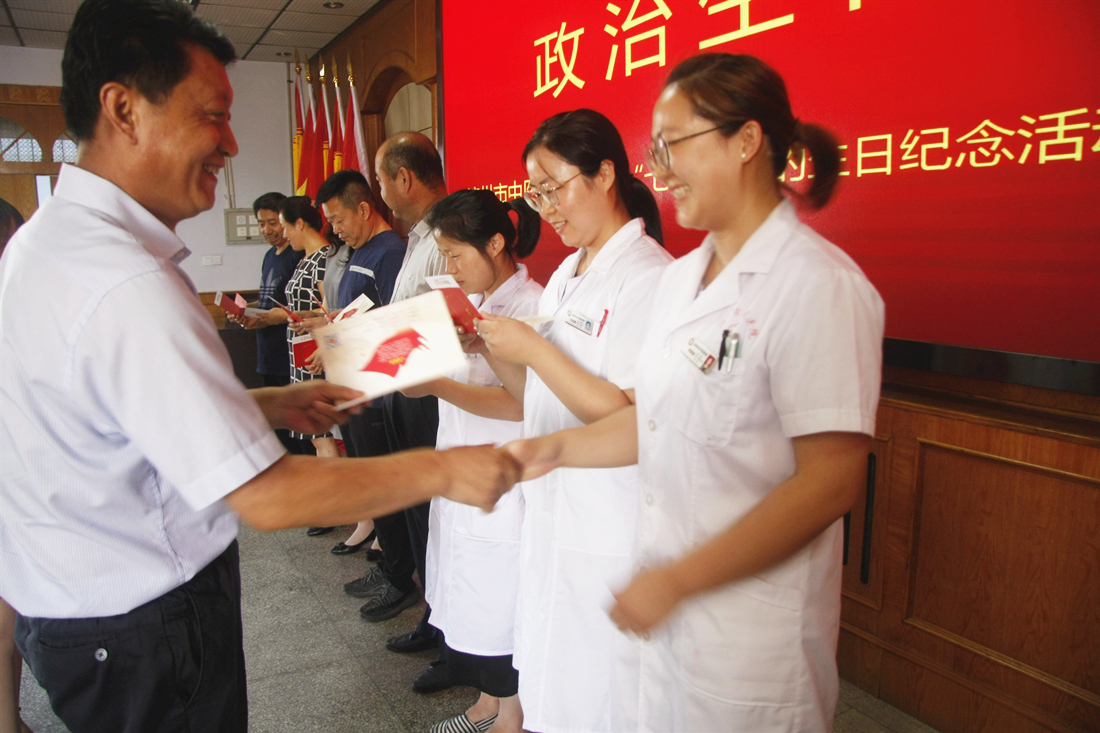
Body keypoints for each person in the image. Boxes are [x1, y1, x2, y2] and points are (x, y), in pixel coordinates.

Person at [0, 3, 519, 732]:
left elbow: (112, 415)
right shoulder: (121, 279)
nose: (231, 143)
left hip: (89, 621)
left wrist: (267, 405)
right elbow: (268, 496)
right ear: (123, 109)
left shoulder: (50, 242)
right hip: (142, 632)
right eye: (212, 116)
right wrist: (446, 472)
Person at [506, 54, 885, 732]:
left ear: (747, 141)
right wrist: (543, 452)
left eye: (675, 144)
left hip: (748, 640)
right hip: (667, 621)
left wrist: (680, 579)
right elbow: (652, 419)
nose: (661, 170)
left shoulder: (819, 285)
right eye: (657, 150)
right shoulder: (683, 280)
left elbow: (830, 482)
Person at [473, 109, 672, 733]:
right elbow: (536, 395)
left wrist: (534, 349)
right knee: (554, 681)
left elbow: (628, 418)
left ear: (604, 174)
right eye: (536, 194)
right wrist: (492, 352)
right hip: (553, 511)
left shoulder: (648, 276)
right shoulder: (567, 273)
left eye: (553, 188)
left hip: (606, 520)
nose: (547, 209)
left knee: (599, 695)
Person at [406, 190, 543, 733]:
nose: (451, 268)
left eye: (456, 255)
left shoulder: (529, 306)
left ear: (497, 243)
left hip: (505, 477)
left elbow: (520, 403)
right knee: (471, 596)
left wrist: (436, 385)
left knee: (501, 600)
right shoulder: (471, 302)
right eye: (445, 255)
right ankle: (487, 704)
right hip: (462, 470)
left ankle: (511, 717)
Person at [360, 133, 452, 687]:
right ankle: (433, 615)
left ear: (404, 178)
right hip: (403, 385)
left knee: (433, 513)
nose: (380, 191)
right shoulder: (415, 237)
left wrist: (366, 345)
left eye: (381, 179)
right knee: (417, 510)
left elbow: (438, 327)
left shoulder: (446, 235)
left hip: (431, 394)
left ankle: (451, 639)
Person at [315, 169, 406, 555]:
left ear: (365, 209)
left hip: (378, 391)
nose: (335, 230)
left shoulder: (389, 252)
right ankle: (380, 545)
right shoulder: (359, 251)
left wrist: (343, 336)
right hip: (354, 384)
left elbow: (396, 326)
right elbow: (364, 312)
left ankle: (391, 560)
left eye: (338, 220)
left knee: (381, 479)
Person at [278, 195, 341, 461]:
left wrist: (308, 318)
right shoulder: (306, 258)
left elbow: (328, 309)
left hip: (316, 351)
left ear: (300, 224)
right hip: (302, 353)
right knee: (316, 436)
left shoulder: (323, 258)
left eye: (285, 226)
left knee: (323, 433)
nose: (284, 234)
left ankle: (336, 484)